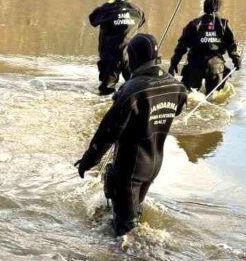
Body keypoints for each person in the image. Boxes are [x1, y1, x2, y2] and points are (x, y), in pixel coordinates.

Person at [74, 34, 187, 236]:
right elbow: (176, 110)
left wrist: (88, 161)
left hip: (130, 168)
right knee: (132, 214)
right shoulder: (176, 86)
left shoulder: (133, 91)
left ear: (134, 57)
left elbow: (107, 132)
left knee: (125, 232)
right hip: (153, 164)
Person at [168, 0, 242, 94]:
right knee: (214, 96)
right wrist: (237, 61)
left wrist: (174, 63)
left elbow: (182, 46)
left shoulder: (193, 24)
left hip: (195, 65)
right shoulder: (224, 24)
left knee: (190, 95)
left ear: (204, 7)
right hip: (215, 66)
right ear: (217, 8)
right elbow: (232, 45)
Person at [89, 0, 146, 95]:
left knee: (106, 91)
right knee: (134, 90)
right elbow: (140, 23)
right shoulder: (137, 10)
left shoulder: (105, 9)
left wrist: (111, 1)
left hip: (110, 57)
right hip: (129, 57)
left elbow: (92, 20)